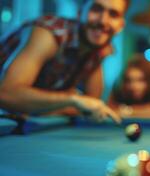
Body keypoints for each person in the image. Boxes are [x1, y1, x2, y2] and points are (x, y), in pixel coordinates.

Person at [0, 0, 130, 123]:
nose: (103, 21)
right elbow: (6, 94)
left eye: (113, 14)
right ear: (80, 13)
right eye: (96, 9)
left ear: (120, 25)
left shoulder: (100, 49)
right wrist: (72, 99)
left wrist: (65, 104)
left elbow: (91, 105)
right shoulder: (49, 33)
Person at [109, 55, 150, 119]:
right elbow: (109, 112)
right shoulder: (120, 90)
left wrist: (129, 111)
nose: (134, 86)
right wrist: (149, 110)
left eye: (140, 80)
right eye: (129, 80)